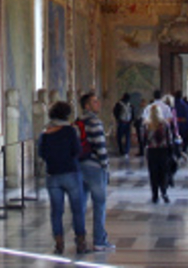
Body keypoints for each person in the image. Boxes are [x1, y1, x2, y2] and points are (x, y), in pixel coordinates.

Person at [38, 101, 88, 255]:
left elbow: (41, 153)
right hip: (71, 173)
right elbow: (77, 150)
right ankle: (80, 242)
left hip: (53, 175)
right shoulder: (70, 131)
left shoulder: (45, 133)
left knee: (56, 211)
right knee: (77, 209)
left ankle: (59, 244)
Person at [78, 93, 115, 251]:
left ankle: (80, 240)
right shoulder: (95, 122)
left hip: (80, 165)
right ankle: (99, 240)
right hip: (94, 167)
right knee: (99, 203)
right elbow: (100, 147)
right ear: (87, 106)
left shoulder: (78, 122)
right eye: (94, 102)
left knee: (80, 205)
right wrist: (106, 166)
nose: (98, 103)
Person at [144, 104, 174, 203]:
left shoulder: (147, 125)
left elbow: (144, 140)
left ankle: (155, 194)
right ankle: (164, 191)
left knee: (153, 173)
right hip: (163, 151)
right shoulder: (165, 124)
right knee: (163, 172)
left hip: (152, 151)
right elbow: (169, 139)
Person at [112, 93, 133, 157]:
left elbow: (115, 111)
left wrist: (117, 118)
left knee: (119, 137)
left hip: (121, 122)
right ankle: (126, 151)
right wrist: (131, 120)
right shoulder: (130, 105)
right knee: (127, 137)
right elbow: (133, 113)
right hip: (128, 122)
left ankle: (121, 150)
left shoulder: (119, 104)